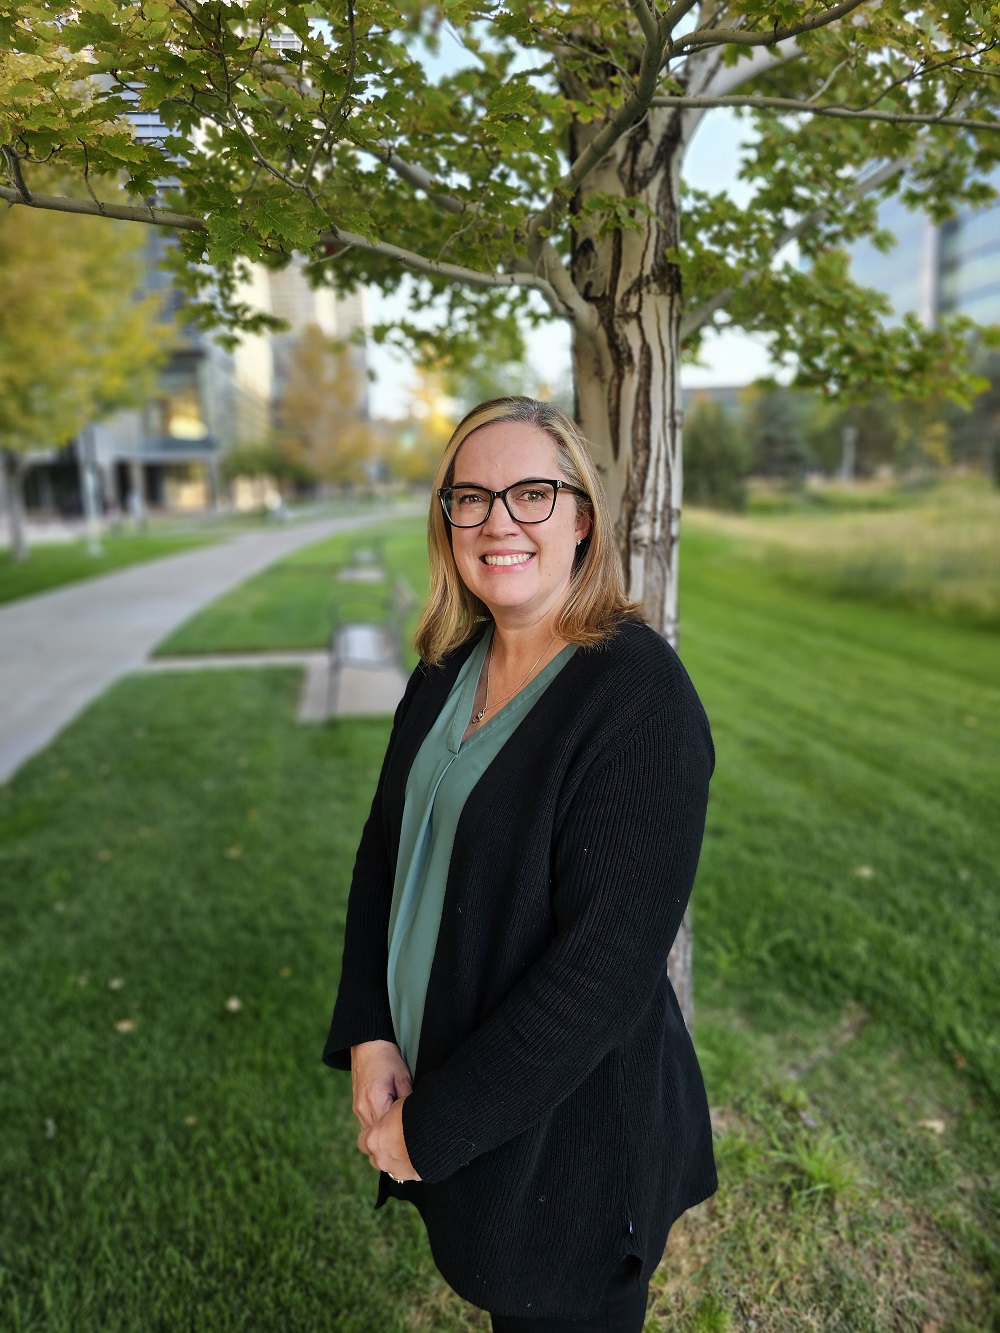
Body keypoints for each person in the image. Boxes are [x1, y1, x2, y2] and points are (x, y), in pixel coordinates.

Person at [324, 397, 717, 1331]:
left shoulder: (635, 694)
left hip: (571, 1142)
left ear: (583, 518)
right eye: (473, 498)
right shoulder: (444, 668)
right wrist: (372, 1028)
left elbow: (600, 976)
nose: (500, 520)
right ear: (447, 522)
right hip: (458, 1084)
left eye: (532, 493)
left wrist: (433, 1128)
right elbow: (387, 852)